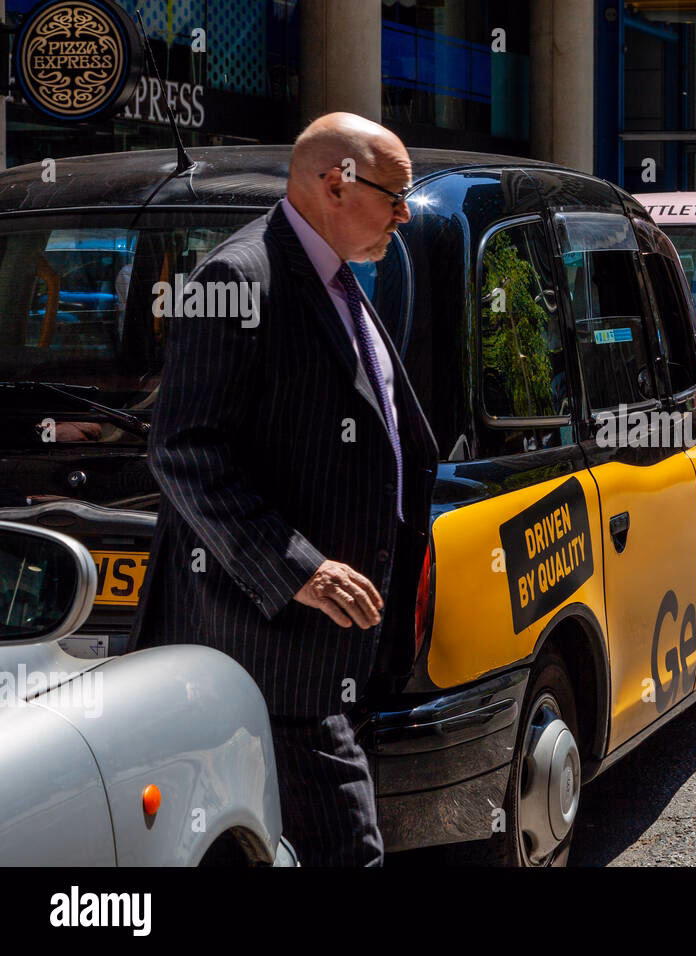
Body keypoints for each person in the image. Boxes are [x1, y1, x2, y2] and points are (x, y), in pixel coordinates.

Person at [130, 113, 439, 866]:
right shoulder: (239, 279)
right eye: (394, 195)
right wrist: (299, 567)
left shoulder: (335, 273)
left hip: (339, 656)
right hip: (269, 659)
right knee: (349, 853)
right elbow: (182, 449)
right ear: (336, 182)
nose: (404, 215)